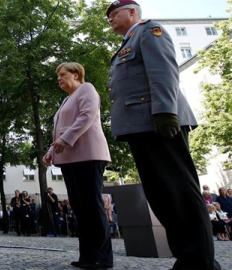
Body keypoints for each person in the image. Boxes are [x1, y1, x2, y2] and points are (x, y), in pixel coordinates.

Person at [106, 1, 221, 269]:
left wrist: (166, 111)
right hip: (141, 127)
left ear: (132, 12)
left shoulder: (149, 31)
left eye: (115, 13)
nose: (110, 18)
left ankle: (200, 262)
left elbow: (163, 71)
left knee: (179, 192)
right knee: (164, 197)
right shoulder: (128, 41)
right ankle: (188, 257)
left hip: (158, 122)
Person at [43, 62, 113, 269]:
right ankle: (88, 256)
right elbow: (61, 130)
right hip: (71, 157)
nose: (59, 80)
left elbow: (87, 116)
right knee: (81, 209)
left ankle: (101, 256)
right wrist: (52, 150)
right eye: (58, 77)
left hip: (88, 155)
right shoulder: (67, 99)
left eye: (63, 75)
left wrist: (64, 140)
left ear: (76, 74)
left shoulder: (87, 89)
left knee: (91, 205)